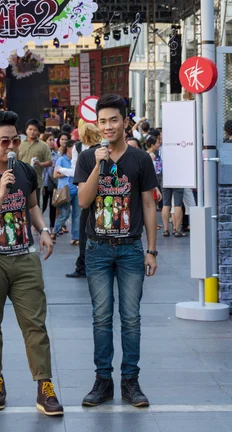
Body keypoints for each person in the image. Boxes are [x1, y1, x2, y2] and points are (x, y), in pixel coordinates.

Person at [0, 110, 63, 416]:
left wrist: (43, 230)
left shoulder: (25, 171)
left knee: (35, 325)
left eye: (14, 140)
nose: (10, 147)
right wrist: (2, 192)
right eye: (4, 141)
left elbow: (32, 205)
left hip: (24, 259)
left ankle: (44, 386)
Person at [74, 94, 158, 409]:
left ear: (125, 122)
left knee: (132, 317)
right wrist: (98, 163)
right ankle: (102, 381)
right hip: (97, 248)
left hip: (131, 249)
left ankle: (131, 381)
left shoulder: (140, 160)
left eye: (113, 120)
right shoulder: (87, 158)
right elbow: (83, 201)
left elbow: (149, 205)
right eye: (102, 121)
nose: (107, 126)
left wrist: (152, 250)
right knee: (101, 317)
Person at [66, 121, 101, 278]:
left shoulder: (79, 148)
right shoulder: (99, 148)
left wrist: (62, 170)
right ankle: (85, 264)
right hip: (94, 190)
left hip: (85, 188)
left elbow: (75, 170)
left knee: (85, 227)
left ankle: (83, 265)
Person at [18, 119, 52, 209]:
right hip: (21, 180)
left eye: (35, 130)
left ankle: (35, 223)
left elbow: (50, 161)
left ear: (38, 132)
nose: (32, 132)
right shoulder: (19, 144)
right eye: (30, 129)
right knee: (21, 206)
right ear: (26, 130)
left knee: (35, 206)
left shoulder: (43, 145)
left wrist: (40, 164)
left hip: (36, 181)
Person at [53, 140, 81, 244]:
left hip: (76, 189)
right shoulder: (61, 159)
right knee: (65, 214)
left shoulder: (77, 159)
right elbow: (55, 175)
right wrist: (68, 172)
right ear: (69, 148)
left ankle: (75, 237)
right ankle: (54, 232)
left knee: (77, 215)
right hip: (65, 191)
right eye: (74, 147)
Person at [41, 132, 58, 239]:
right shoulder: (41, 154)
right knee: (42, 205)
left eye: (53, 140)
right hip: (44, 183)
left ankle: (52, 226)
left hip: (53, 183)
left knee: (53, 206)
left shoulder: (56, 155)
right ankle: (39, 225)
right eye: (49, 140)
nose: (52, 142)